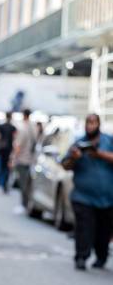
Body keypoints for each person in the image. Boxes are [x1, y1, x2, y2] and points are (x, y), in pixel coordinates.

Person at [61, 113, 113, 270]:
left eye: (93, 122)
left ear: (98, 124)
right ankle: (81, 256)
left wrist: (99, 155)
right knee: (84, 228)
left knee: (103, 231)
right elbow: (65, 165)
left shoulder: (108, 141)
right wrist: (75, 157)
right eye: (88, 122)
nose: (90, 126)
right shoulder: (78, 143)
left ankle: (101, 257)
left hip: (107, 199)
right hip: (83, 197)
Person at [12, 109, 37, 208]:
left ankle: (24, 204)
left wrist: (13, 159)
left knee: (23, 183)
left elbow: (18, 146)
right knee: (27, 182)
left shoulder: (23, 128)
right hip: (31, 159)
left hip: (22, 159)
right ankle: (26, 203)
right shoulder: (34, 127)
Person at [0, 111, 17, 193]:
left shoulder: (0, 126)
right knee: (6, 168)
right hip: (8, 150)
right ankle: (4, 186)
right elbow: (15, 139)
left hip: (0, 149)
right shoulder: (13, 128)